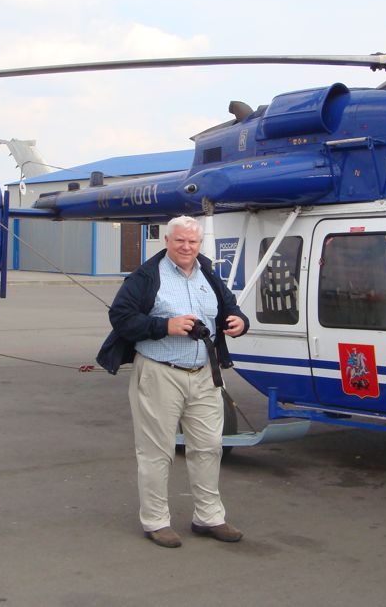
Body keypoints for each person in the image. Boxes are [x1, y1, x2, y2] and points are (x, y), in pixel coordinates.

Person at [96, 215, 249, 548]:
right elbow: (121, 317)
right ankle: (156, 521)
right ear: (167, 241)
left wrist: (239, 321)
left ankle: (209, 517)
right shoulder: (146, 276)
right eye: (179, 240)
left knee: (209, 447)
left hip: (204, 374)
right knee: (156, 451)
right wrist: (164, 326)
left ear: (199, 244)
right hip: (159, 372)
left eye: (192, 241)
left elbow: (229, 307)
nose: (186, 247)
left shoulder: (208, 272)